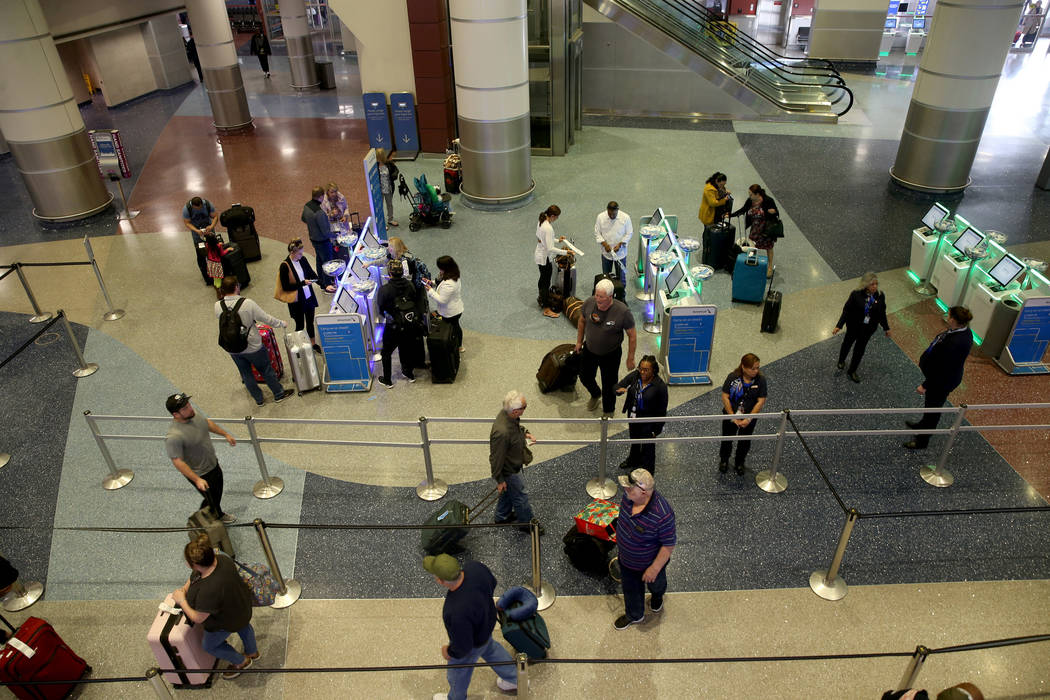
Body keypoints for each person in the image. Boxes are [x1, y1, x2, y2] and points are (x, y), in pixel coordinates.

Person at [423, 554, 517, 700]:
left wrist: (449, 651)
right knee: (493, 650)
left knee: (458, 673)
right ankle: (515, 679)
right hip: (487, 624)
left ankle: (456, 698)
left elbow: (463, 646)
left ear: (441, 581)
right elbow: (493, 582)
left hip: (473, 643)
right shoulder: (475, 568)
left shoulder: (454, 611)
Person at [172, 534, 258, 679]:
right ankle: (252, 652)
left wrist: (182, 601)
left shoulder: (208, 591)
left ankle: (241, 662)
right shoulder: (222, 560)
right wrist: (185, 589)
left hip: (224, 622)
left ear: (195, 564)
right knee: (244, 626)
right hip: (241, 607)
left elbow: (198, 617)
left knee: (209, 646)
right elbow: (195, 575)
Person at [613, 468, 676, 630]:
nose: (625, 489)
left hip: (650, 564)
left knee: (657, 584)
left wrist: (654, 569)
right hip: (627, 561)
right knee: (630, 589)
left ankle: (657, 597)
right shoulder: (628, 498)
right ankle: (635, 614)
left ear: (643, 492)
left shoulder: (662, 514)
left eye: (629, 487)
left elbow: (668, 544)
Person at [903, 306, 973, 450]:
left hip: (941, 382)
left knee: (933, 411)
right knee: (930, 407)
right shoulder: (961, 331)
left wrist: (925, 385)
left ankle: (922, 441)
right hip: (941, 377)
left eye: (949, 316)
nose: (947, 318)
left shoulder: (956, 343)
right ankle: (923, 425)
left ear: (954, 320)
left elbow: (943, 369)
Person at [215, 276, 292, 406]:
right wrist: (281, 323)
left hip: (232, 347)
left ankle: (259, 399)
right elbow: (266, 318)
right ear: (236, 287)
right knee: (266, 369)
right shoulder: (247, 303)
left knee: (245, 374)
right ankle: (278, 394)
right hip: (252, 346)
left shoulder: (217, 305)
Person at [165, 393, 238, 523]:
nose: (190, 409)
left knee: (216, 494)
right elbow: (177, 461)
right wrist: (197, 479)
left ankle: (216, 514)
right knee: (211, 499)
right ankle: (205, 522)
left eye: (188, 405)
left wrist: (225, 434)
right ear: (176, 414)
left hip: (213, 464)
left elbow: (207, 424)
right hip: (201, 474)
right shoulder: (174, 436)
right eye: (185, 408)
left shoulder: (194, 415)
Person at [576, 279, 638, 418]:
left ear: (610, 296)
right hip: (589, 349)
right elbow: (581, 320)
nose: (597, 299)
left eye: (601, 297)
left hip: (611, 354)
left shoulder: (622, 312)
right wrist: (579, 342)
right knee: (584, 376)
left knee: (609, 384)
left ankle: (608, 410)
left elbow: (632, 335)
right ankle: (595, 394)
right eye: (596, 295)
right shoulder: (589, 303)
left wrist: (630, 358)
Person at [489, 390, 542, 535]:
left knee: (508, 493)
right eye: (524, 407)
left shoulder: (508, 416)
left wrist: (525, 432)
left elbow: (516, 429)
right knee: (521, 497)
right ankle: (527, 524)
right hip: (509, 470)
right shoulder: (502, 432)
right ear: (516, 411)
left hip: (512, 466)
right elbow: (495, 458)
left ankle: (501, 517)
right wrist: (499, 480)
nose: (526, 409)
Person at [833, 272, 891, 383]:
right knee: (847, 344)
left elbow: (882, 313)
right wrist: (839, 325)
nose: (875, 287)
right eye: (872, 284)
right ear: (865, 284)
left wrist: (886, 328)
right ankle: (841, 360)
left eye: (876, 284)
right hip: (853, 327)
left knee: (859, 350)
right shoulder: (856, 294)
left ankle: (852, 370)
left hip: (867, 330)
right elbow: (847, 310)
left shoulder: (880, 295)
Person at [615, 355, 669, 474]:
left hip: (648, 423)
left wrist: (657, 430)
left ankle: (647, 472)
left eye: (646, 370)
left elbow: (662, 410)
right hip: (633, 417)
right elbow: (618, 386)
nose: (642, 372)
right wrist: (620, 390)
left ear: (653, 370)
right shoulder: (635, 376)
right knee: (634, 441)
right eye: (641, 368)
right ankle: (633, 460)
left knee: (648, 448)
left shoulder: (660, 386)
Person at [376, 259, 423, 387]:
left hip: (393, 326)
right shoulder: (410, 285)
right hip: (409, 324)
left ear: (389, 273)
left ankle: (387, 380)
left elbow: (380, 309)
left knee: (386, 352)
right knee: (406, 348)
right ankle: (409, 373)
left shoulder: (385, 289)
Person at [719, 353, 768, 474]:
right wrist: (732, 416)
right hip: (731, 414)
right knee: (727, 438)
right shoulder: (733, 377)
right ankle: (724, 460)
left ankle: (739, 462)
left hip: (749, 417)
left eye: (757, 368)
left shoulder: (761, 380)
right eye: (753, 368)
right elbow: (725, 396)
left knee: (745, 441)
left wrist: (749, 418)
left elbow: (761, 401)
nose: (756, 371)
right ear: (743, 367)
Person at [279, 239, 323, 353]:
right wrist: (302, 283)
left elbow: (311, 273)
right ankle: (298, 346)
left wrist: (324, 285)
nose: (301, 255)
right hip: (297, 301)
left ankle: (313, 343)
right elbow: (286, 287)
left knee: (310, 322)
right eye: (299, 253)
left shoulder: (303, 259)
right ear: (292, 252)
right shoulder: (285, 266)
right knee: (299, 324)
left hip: (308, 297)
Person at [731, 184, 779, 277]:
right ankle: (751, 263)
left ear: (757, 194)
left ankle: (769, 267)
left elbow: (776, 212)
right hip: (755, 228)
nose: (749, 196)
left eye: (751, 194)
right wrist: (731, 215)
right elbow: (743, 209)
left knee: (769, 247)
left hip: (766, 228)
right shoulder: (750, 201)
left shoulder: (768, 200)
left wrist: (773, 212)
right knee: (752, 245)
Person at [534, 205, 571, 318]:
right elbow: (550, 248)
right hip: (545, 258)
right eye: (557, 217)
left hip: (539, 255)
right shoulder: (549, 228)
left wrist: (557, 240)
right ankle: (546, 308)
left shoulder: (541, 221)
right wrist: (566, 252)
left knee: (542, 279)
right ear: (553, 216)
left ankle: (541, 298)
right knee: (545, 283)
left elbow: (542, 239)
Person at [424, 255, 464, 352]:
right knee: (455, 327)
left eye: (441, 268)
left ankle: (457, 346)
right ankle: (458, 345)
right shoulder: (452, 274)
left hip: (451, 312)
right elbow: (440, 283)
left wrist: (430, 291)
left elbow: (442, 300)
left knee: (453, 328)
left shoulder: (450, 283)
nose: (440, 271)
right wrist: (431, 283)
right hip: (455, 308)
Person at [303, 186, 337, 288]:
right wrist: (336, 235)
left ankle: (321, 281)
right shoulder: (320, 213)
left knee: (319, 260)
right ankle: (327, 285)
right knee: (327, 263)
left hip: (313, 239)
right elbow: (326, 232)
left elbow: (304, 219)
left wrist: (313, 225)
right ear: (321, 196)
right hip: (323, 241)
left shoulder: (307, 206)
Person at [594, 201, 633, 286]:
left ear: (617, 211)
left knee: (621, 278)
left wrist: (620, 244)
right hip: (606, 253)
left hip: (620, 254)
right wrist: (605, 244)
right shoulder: (600, 217)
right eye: (609, 214)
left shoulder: (625, 217)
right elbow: (597, 233)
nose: (611, 216)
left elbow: (629, 233)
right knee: (606, 278)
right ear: (607, 210)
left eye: (614, 214)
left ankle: (622, 297)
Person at [183, 196, 219, 284]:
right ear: (193, 206)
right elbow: (187, 222)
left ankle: (218, 273)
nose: (199, 209)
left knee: (215, 251)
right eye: (197, 208)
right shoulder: (187, 209)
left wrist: (211, 226)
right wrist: (196, 231)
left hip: (209, 231)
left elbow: (215, 217)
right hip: (197, 234)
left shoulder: (207, 204)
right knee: (201, 255)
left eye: (200, 207)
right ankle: (207, 277)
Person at [376, 148, 400, 227]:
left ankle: (390, 219)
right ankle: (382, 223)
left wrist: (393, 176)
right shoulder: (374, 166)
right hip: (379, 190)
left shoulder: (389, 164)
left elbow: (396, 170)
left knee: (389, 204)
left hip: (388, 188)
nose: (378, 159)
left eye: (379, 157)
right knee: (380, 206)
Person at [203, 233, 230, 297]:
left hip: (210, 263)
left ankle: (216, 287)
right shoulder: (218, 246)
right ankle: (219, 293)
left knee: (215, 277)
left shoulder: (207, 245)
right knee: (218, 279)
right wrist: (228, 249)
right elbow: (222, 254)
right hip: (217, 264)